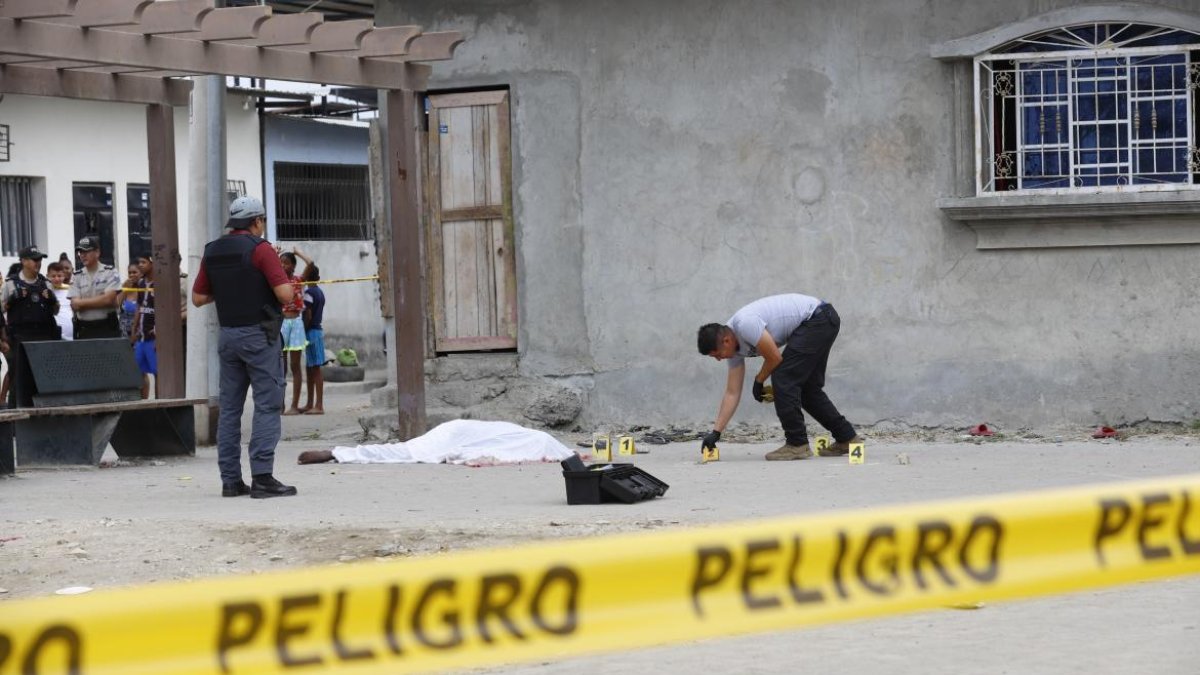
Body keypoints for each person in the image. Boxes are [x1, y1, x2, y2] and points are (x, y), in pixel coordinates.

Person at [191, 195, 297, 499]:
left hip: (228, 337)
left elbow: (198, 298)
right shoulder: (261, 250)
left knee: (230, 409)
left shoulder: (212, 250)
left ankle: (231, 480)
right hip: (259, 336)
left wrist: (228, 290)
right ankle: (263, 477)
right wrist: (276, 270)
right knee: (267, 404)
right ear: (257, 221)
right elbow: (285, 295)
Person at [697, 293, 861, 461]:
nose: (718, 359)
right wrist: (716, 433)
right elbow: (732, 393)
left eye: (717, 355)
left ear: (726, 341)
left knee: (783, 377)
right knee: (807, 389)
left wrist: (759, 380)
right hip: (822, 321)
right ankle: (847, 438)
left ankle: (797, 444)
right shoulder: (733, 350)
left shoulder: (744, 324)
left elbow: (774, 358)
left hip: (818, 319)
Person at [2, 246, 61, 406]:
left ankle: (45, 414)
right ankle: (15, 418)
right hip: (20, 338)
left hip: (44, 336)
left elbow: (56, 310)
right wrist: (12, 300)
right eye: (34, 259)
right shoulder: (11, 283)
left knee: (44, 377)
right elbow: (1, 308)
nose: (38, 263)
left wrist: (52, 300)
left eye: (40, 259)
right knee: (18, 378)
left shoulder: (45, 283)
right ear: (23, 261)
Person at [67, 236, 121, 339]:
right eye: (80, 252)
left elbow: (108, 300)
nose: (83, 255)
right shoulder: (76, 276)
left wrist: (82, 302)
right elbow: (75, 305)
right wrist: (101, 300)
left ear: (97, 252)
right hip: (84, 328)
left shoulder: (110, 272)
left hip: (107, 327)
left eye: (86, 251)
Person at [277, 250, 308, 416]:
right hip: (281, 324)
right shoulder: (278, 282)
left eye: (286, 262)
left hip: (295, 323)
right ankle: (280, 405)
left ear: (293, 266)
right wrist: (275, 255)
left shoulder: (298, 280)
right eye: (281, 262)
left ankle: (294, 406)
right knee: (281, 367)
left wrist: (299, 253)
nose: (283, 265)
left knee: (295, 366)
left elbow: (311, 265)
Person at [298, 258, 325, 414]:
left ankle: (318, 405)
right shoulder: (320, 292)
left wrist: (303, 329)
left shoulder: (308, 293)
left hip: (311, 332)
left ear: (307, 278)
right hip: (317, 331)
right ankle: (310, 404)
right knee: (310, 368)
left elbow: (307, 314)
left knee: (315, 369)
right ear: (319, 278)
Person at [131, 254, 157, 398]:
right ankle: (141, 404)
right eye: (139, 262)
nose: (140, 265)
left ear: (152, 263)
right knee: (138, 371)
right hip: (140, 337)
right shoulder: (141, 284)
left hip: (153, 337)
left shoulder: (159, 283)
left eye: (144, 262)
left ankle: (161, 404)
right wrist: (134, 330)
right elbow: (139, 307)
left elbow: (162, 309)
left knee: (157, 372)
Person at [46, 262, 73, 341]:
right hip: (52, 334)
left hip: (70, 334)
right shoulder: (45, 291)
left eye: (59, 276)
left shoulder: (70, 289)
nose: (57, 279)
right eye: (53, 276)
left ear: (64, 276)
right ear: (48, 276)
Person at [117, 263, 141, 340]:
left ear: (141, 273)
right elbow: (117, 304)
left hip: (140, 331)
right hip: (124, 333)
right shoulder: (125, 288)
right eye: (129, 273)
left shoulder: (145, 289)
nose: (131, 275)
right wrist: (124, 289)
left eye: (134, 272)